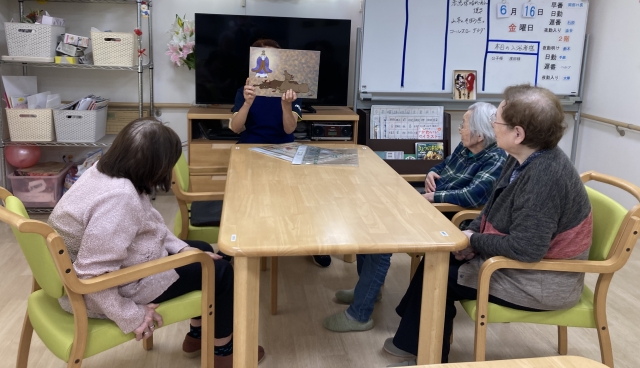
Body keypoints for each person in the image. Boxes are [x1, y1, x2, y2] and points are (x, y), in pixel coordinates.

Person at [385, 85, 593, 366]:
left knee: (440, 275)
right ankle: (414, 343)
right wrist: (471, 233)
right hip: (522, 265)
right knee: (438, 258)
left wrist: (472, 241)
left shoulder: (544, 176)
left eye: (498, 120)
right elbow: (491, 207)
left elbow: (527, 249)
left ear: (518, 134)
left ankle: (428, 356)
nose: (493, 124)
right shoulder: (523, 157)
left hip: (542, 281)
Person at [48, 118, 265, 367]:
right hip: (106, 290)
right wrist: (131, 315)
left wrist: (184, 249)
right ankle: (223, 352)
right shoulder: (119, 198)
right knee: (221, 272)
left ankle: (197, 336)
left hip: (117, 267)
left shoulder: (104, 171)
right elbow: (91, 276)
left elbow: (149, 222)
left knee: (202, 250)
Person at [322, 102, 506, 333]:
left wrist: (434, 196)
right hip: (431, 204)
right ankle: (367, 290)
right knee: (370, 218)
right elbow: (443, 164)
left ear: (479, 135)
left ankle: (359, 314)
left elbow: (471, 195)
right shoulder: (466, 147)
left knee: (382, 236)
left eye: (464, 125)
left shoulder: (496, 159)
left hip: (449, 218)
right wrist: (432, 172)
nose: (460, 129)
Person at [229, 38, 332, 268]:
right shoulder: (244, 91)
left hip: (283, 148)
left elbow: (289, 129)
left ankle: (311, 243)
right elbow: (235, 128)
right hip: (250, 148)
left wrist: (286, 106)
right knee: (243, 196)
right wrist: (247, 103)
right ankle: (235, 241)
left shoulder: (293, 92)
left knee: (300, 195)